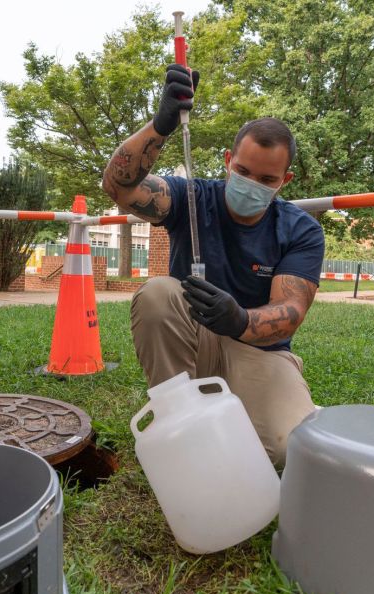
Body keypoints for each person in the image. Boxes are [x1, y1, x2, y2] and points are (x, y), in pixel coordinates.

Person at [102, 64, 324, 465]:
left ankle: (269, 405)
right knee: (157, 293)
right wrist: (160, 125)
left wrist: (238, 319)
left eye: (266, 179)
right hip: (195, 341)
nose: (251, 183)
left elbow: (290, 313)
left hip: (261, 350)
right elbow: (119, 187)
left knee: (288, 448)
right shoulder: (190, 198)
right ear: (227, 160)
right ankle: (180, 419)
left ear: (285, 180)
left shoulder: (300, 230)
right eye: (242, 171)